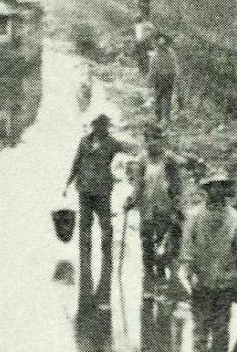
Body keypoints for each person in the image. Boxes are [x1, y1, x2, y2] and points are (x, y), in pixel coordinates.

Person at [178, 172, 237, 352]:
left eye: (221, 187)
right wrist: (188, 271)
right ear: (206, 190)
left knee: (221, 326)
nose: (217, 191)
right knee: (200, 324)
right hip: (201, 277)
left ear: (226, 191)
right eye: (212, 187)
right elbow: (186, 248)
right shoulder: (194, 216)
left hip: (225, 279)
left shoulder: (234, 218)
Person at [65, 114, 127, 271]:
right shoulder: (84, 141)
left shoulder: (111, 142)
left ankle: (107, 257)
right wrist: (68, 182)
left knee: (105, 223)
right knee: (85, 223)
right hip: (84, 188)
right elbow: (76, 162)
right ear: (94, 126)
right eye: (99, 126)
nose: (102, 128)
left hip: (102, 190)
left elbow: (126, 149)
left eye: (104, 126)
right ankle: (85, 257)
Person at [125, 125, 183, 281]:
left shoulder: (169, 159)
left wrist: (177, 202)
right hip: (147, 207)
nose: (152, 143)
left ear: (161, 141)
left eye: (156, 139)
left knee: (163, 240)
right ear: (145, 142)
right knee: (146, 240)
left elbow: (177, 184)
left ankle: (162, 268)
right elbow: (138, 185)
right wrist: (131, 200)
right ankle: (149, 274)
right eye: (149, 140)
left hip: (165, 205)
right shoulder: (142, 160)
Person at [148, 32, 180, 123]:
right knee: (165, 97)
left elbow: (153, 68)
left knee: (160, 97)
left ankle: (161, 117)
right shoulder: (169, 52)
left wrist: (150, 80)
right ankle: (165, 118)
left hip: (163, 77)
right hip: (167, 77)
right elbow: (174, 66)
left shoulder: (157, 53)